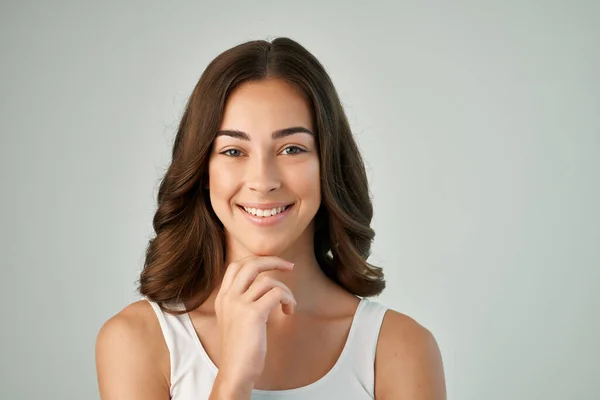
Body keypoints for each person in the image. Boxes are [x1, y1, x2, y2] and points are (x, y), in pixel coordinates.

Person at [95, 37, 446, 400]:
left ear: (327, 165)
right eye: (233, 150)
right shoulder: (139, 339)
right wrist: (234, 376)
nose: (263, 182)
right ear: (203, 171)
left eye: (291, 149)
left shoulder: (399, 348)